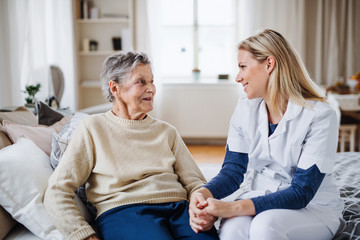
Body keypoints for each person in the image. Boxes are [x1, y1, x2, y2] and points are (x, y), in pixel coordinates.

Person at [44, 51, 219, 240]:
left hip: (180, 209)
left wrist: (200, 203)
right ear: (115, 88)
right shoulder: (93, 128)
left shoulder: (167, 131)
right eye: (141, 82)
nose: (151, 88)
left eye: (152, 81)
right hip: (125, 211)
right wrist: (82, 234)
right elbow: (57, 189)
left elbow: (195, 183)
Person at [189, 29, 344, 240]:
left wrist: (231, 208)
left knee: (264, 225)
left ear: (269, 65)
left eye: (243, 67)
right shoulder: (245, 108)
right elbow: (233, 172)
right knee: (232, 231)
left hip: (313, 207)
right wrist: (202, 193)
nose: (238, 77)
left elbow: (301, 192)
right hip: (259, 197)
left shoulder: (320, 116)